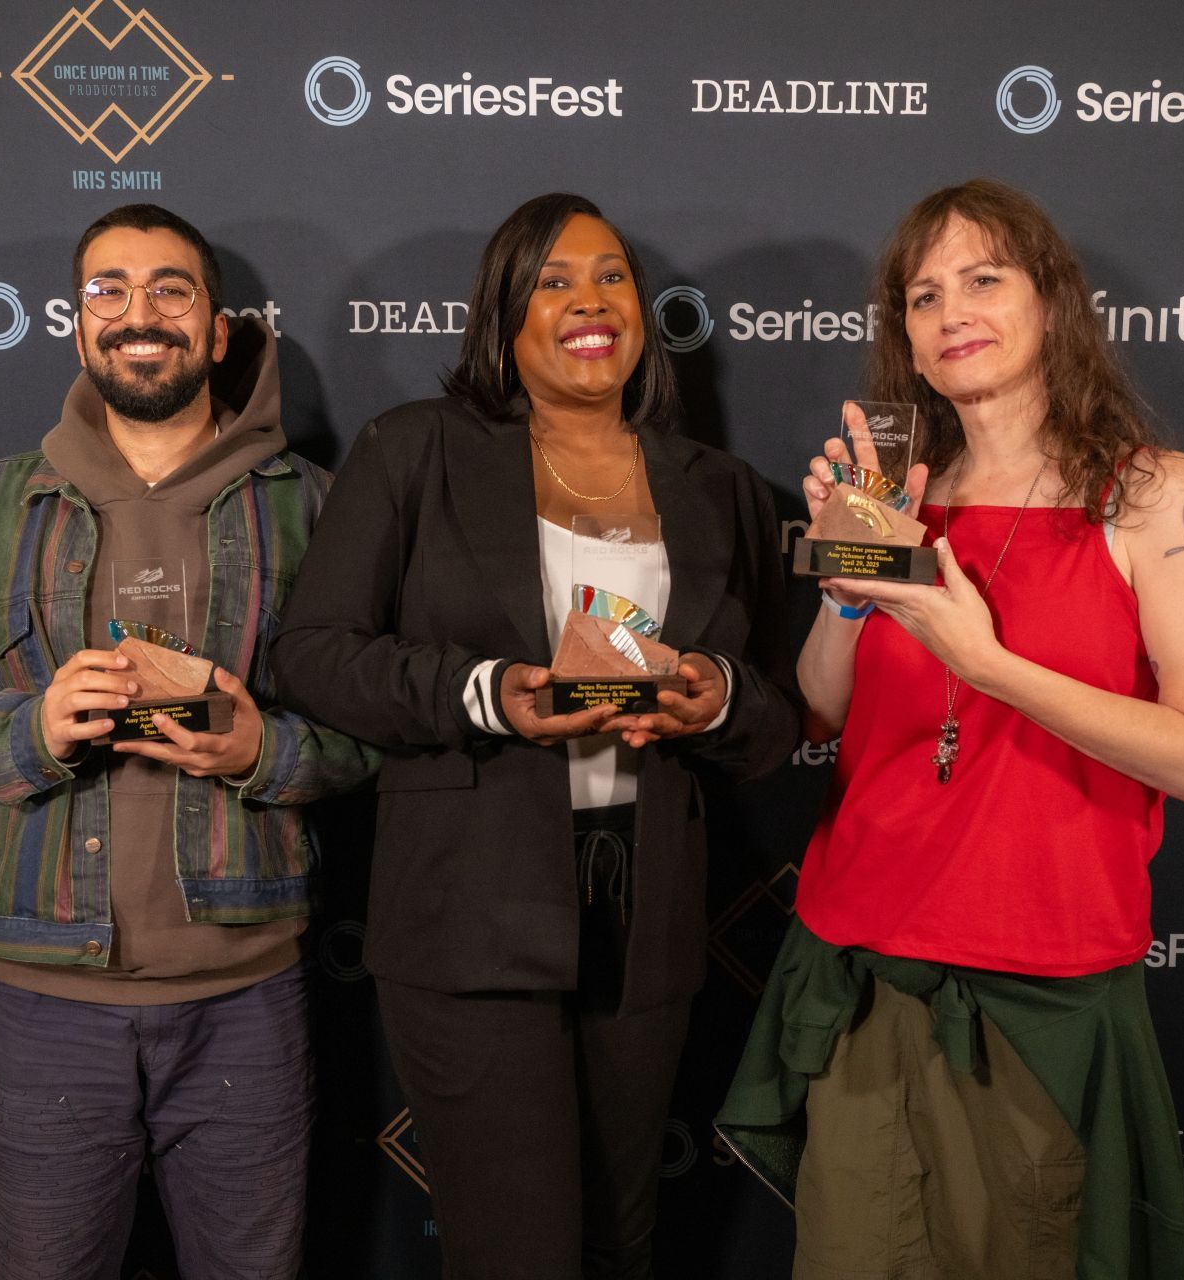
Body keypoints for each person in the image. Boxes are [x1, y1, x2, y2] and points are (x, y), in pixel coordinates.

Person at [717, 179, 1184, 1280]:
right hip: (858, 971)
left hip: (1038, 996)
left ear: (1051, 302)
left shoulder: (1155, 494)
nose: (951, 308)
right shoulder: (899, 496)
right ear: (907, 342)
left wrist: (991, 665)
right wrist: (845, 587)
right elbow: (822, 704)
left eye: (983, 278)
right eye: (923, 294)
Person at [271, 192, 799, 1279]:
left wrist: (717, 699)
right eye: (553, 281)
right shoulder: (417, 450)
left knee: (624, 1240)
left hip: (644, 912)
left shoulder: (717, 490)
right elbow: (313, 652)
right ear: (503, 314)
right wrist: (486, 690)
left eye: (611, 276)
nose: (589, 301)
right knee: (516, 1251)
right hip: (473, 910)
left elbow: (779, 715)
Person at [0, 203, 375, 1280]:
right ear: (79, 324)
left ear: (219, 330)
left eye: (172, 289)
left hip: (247, 998)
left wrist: (262, 754)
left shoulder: (316, 509)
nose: (141, 315)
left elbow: (383, 724)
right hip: (42, 1002)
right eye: (110, 291)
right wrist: (28, 729)